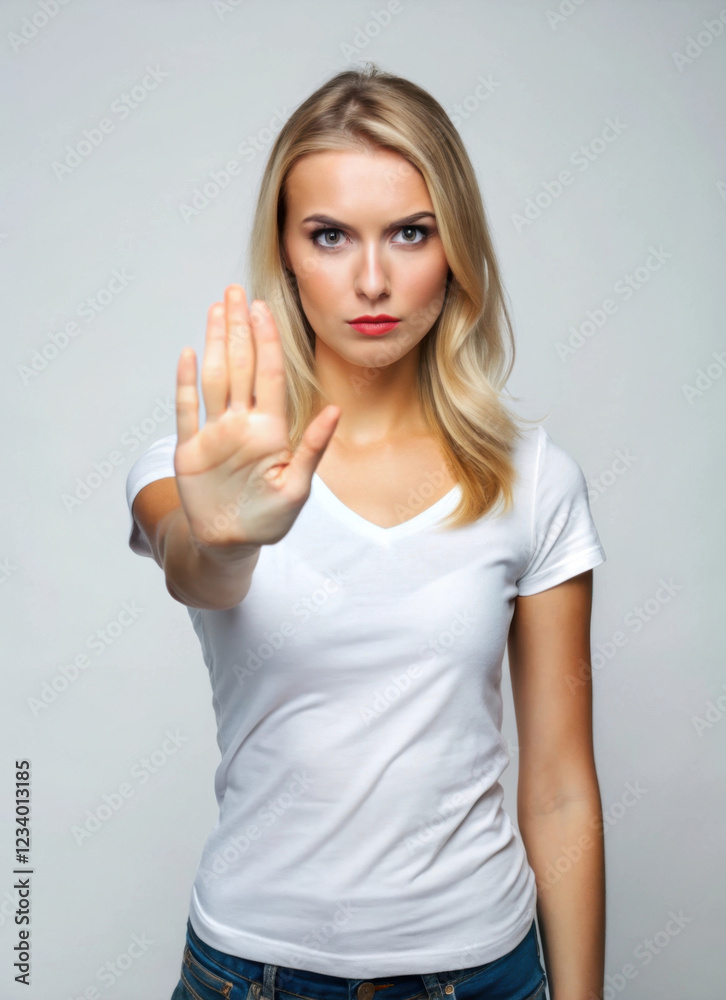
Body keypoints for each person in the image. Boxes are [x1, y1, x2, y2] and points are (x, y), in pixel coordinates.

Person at [125, 64, 606, 1000]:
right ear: (287, 252)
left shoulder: (536, 480)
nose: (373, 278)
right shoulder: (198, 465)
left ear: (455, 247)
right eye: (332, 236)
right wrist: (224, 536)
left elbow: (558, 785)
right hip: (249, 972)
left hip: (480, 972)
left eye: (411, 233)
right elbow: (199, 570)